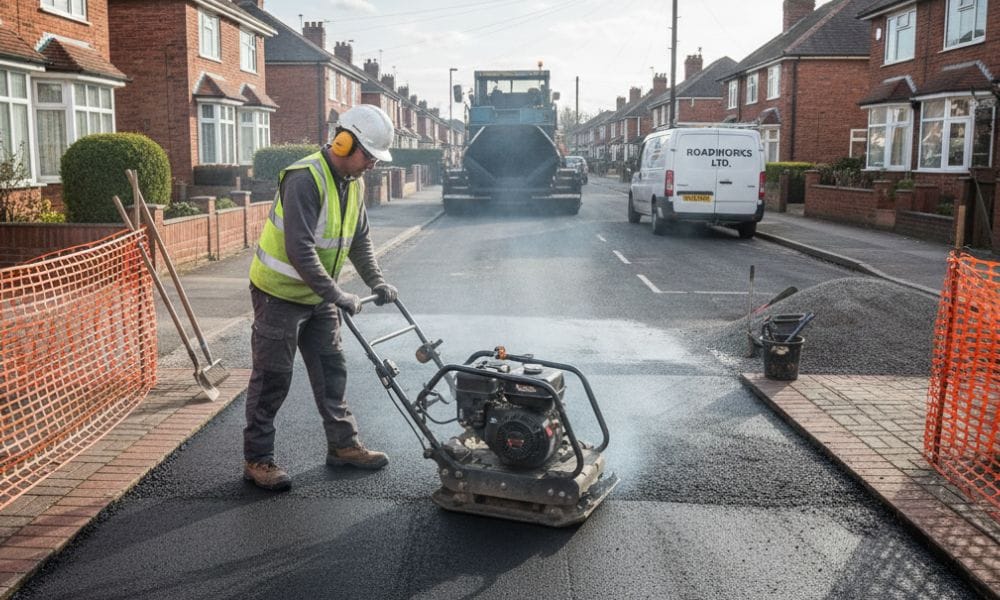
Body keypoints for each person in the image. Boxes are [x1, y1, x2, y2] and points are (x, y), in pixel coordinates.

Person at [243, 104, 398, 491]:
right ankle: (258, 460)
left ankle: (344, 446)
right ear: (344, 142)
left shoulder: (353, 182)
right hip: (279, 295)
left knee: (332, 370)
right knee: (272, 379)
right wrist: (339, 294)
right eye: (369, 156)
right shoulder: (304, 179)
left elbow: (359, 241)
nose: (372, 166)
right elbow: (299, 248)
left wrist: (376, 282)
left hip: (320, 296)